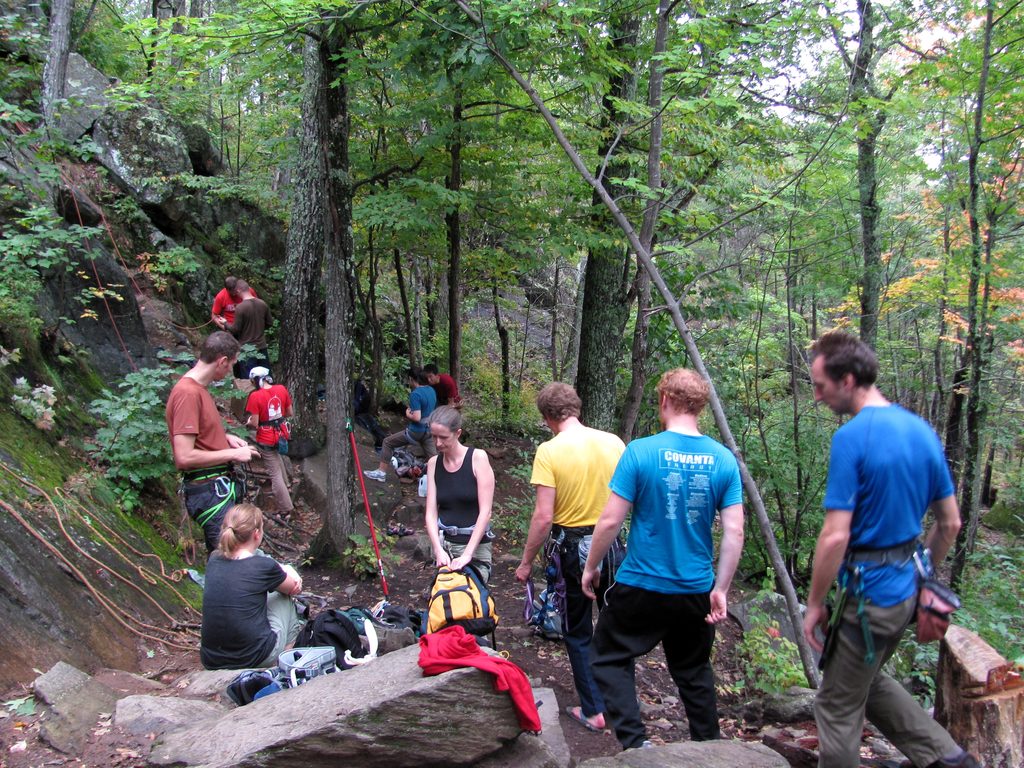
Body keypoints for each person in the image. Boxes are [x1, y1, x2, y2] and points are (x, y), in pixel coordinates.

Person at [802, 331, 976, 768]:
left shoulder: (852, 439)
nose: (817, 396)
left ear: (847, 379)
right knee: (865, 678)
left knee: (835, 706)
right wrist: (919, 574)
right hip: (905, 594)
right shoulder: (921, 431)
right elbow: (950, 522)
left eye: (820, 386)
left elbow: (835, 536)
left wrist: (815, 604)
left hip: (870, 597)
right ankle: (947, 758)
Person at [582, 368, 744, 750]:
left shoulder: (641, 451)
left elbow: (609, 520)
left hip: (642, 584)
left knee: (607, 656)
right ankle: (710, 748)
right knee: (693, 670)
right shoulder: (723, 460)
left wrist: (591, 567)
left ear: (665, 400)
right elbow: (734, 532)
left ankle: (636, 745)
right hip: (695, 588)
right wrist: (720, 588)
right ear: (700, 407)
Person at [513, 382, 626, 734]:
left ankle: (594, 711)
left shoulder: (549, 451)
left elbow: (544, 517)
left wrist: (526, 561)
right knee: (613, 627)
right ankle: (621, 705)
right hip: (613, 545)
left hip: (572, 548)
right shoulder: (614, 443)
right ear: (575, 408)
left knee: (577, 630)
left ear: (548, 417)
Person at [165, 332, 259, 553]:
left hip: (213, 488)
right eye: (230, 366)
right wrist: (233, 455)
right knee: (228, 558)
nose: (229, 372)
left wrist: (223, 437)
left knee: (233, 555)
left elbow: (196, 433)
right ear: (222, 361)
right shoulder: (188, 394)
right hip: (209, 492)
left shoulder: (197, 390)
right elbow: (184, 456)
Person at [200, 503, 305, 670]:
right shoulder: (263, 567)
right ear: (256, 534)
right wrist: (289, 572)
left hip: (211, 659)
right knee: (282, 596)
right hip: (255, 656)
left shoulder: (214, 559)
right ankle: (288, 654)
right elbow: (293, 588)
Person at [424, 406, 496, 583]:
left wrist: (467, 555)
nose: (438, 443)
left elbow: (485, 512)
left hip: (475, 547)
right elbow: (431, 512)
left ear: (458, 433)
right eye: (434, 437)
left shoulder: (477, 458)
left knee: (470, 599)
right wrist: (438, 550)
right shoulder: (434, 463)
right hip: (445, 545)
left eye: (443, 437)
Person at [363, 367, 437, 482]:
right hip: (428, 431)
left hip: (415, 432)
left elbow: (416, 417)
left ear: (412, 379)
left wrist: (408, 413)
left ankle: (381, 473)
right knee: (434, 458)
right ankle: (444, 479)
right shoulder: (431, 391)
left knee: (387, 442)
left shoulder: (416, 394)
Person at [244, 366, 294, 516]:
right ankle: (287, 486)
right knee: (277, 457)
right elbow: (289, 412)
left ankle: (285, 509)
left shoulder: (255, 396)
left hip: (266, 437)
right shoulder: (281, 389)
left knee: (274, 473)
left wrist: (248, 422)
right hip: (281, 432)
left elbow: (255, 422)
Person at [217, 280, 271, 379]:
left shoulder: (240, 308)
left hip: (247, 348)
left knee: (249, 379)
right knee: (266, 377)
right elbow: (269, 323)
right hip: (262, 346)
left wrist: (225, 323)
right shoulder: (262, 303)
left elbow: (235, 329)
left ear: (238, 291)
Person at [353, 379, 387, 451]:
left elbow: (356, 402)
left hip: (362, 409)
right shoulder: (357, 386)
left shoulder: (358, 386)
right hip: (362, 411)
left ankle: (382, 441)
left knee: (372, 426)